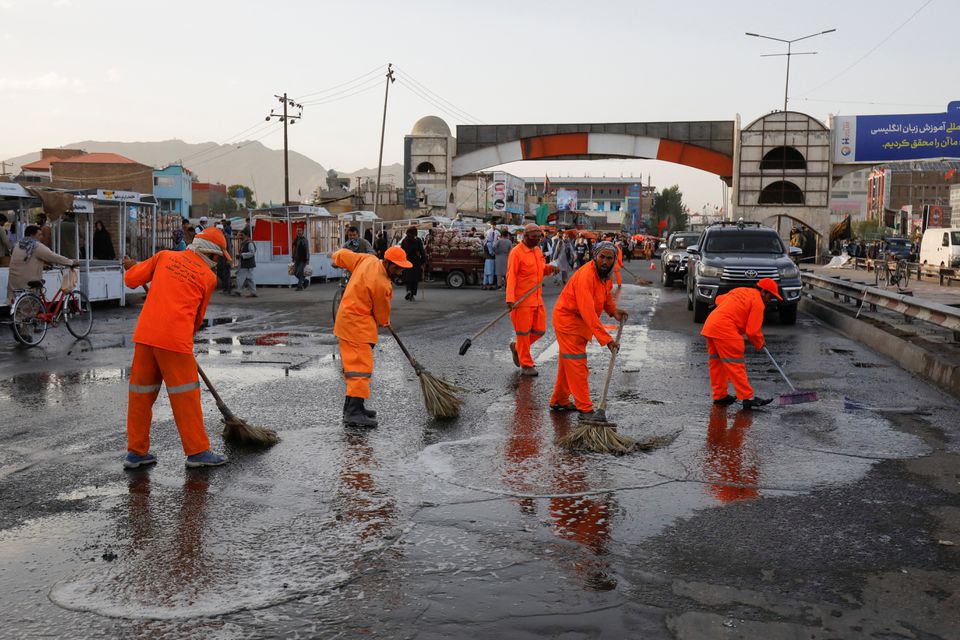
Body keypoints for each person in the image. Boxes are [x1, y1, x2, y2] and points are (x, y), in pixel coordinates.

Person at [120, 227, 230, 469]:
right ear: (211, 255)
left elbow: (131, 280)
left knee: (141, 395)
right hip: (175, 341)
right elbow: (197, 318)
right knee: (186, 396)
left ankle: (136, 453)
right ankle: (198, 452)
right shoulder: (208, 277)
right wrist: (182, 339)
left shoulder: (165, 257)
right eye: (218, 258)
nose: (217, 263)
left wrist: (131, 266)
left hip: (146, 335)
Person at [332, 244, 412, 427]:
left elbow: (344, 255)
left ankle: (354, 407)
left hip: (347, 322)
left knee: (354, 369)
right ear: (387, 262)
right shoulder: (382, 284)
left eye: (402, 268)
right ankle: (353, 413)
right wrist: (385, 322)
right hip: (357, 328)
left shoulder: (368, 260)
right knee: (360, 370)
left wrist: (335, 257)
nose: (399, 272)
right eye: (397, 267)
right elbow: (382, 314)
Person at [549, 242, 628, 417]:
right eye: (602, 257)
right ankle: (585, 408)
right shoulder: (586, 276)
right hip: (569, 322)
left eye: (609, 258)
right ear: (595, 256)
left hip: (580, 323)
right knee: (577, 365)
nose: (605, 262)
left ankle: (560, 399)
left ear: (614, 259)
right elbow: (588, 312)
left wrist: (613, 311)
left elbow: (605, 296)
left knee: (567, 363)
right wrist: (607, 340)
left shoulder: (605, 276)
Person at [700, 278, 779, 409]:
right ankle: (747, 397)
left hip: (711, 325)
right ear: (764, 292)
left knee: (717, 363)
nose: (771, 299)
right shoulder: (758, 302)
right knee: (736, 365)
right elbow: (752, 331)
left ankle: (720, 396)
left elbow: (718, 299)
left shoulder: (740, 290)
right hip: (726, 330)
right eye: (771, 295)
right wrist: (760, 343)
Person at [506, 223, 559, 376]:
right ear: (525, 237)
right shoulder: (516, 253)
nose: (537, 241)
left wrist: (550, 268)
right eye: (534, 238)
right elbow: (511, 276)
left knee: (540, 330)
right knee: (523, 333)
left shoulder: (537, 251)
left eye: (539, 238)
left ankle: (517, 348)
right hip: (521, 301)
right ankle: (526, 364)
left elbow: (541, 269)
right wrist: (510, 299)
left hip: (536, 298)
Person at [6, 225, 79, 303]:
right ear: (32, 235)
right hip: (27, 283)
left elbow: (25, 261)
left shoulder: (18, 245)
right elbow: (53, 257)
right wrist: (71, 262)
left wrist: (42, 265)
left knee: (23, 308)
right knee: (32, 306)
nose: (42, 237)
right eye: (40, 235)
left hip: (13, 283)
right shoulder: (36, 246)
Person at [400, 226, 426, 301]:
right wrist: (423, 261)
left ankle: (408, 290)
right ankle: (412, 294)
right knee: (415, 279)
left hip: (406, 261)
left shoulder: (404, 240)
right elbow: (422, 251)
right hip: (416, 262)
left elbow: (401, 251)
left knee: (408, 278)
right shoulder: (418, 240)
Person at [233, 228, 257, 297]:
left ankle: (239, 291)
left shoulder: (249, 243)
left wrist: (242, 255)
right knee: (249, 278)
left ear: (245, 235)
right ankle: (253, 292)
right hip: (247, 263)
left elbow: (252, 252)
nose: (240, 236)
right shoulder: (245, 242)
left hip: (247, 264)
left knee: (240, 277)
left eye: (241, 235)